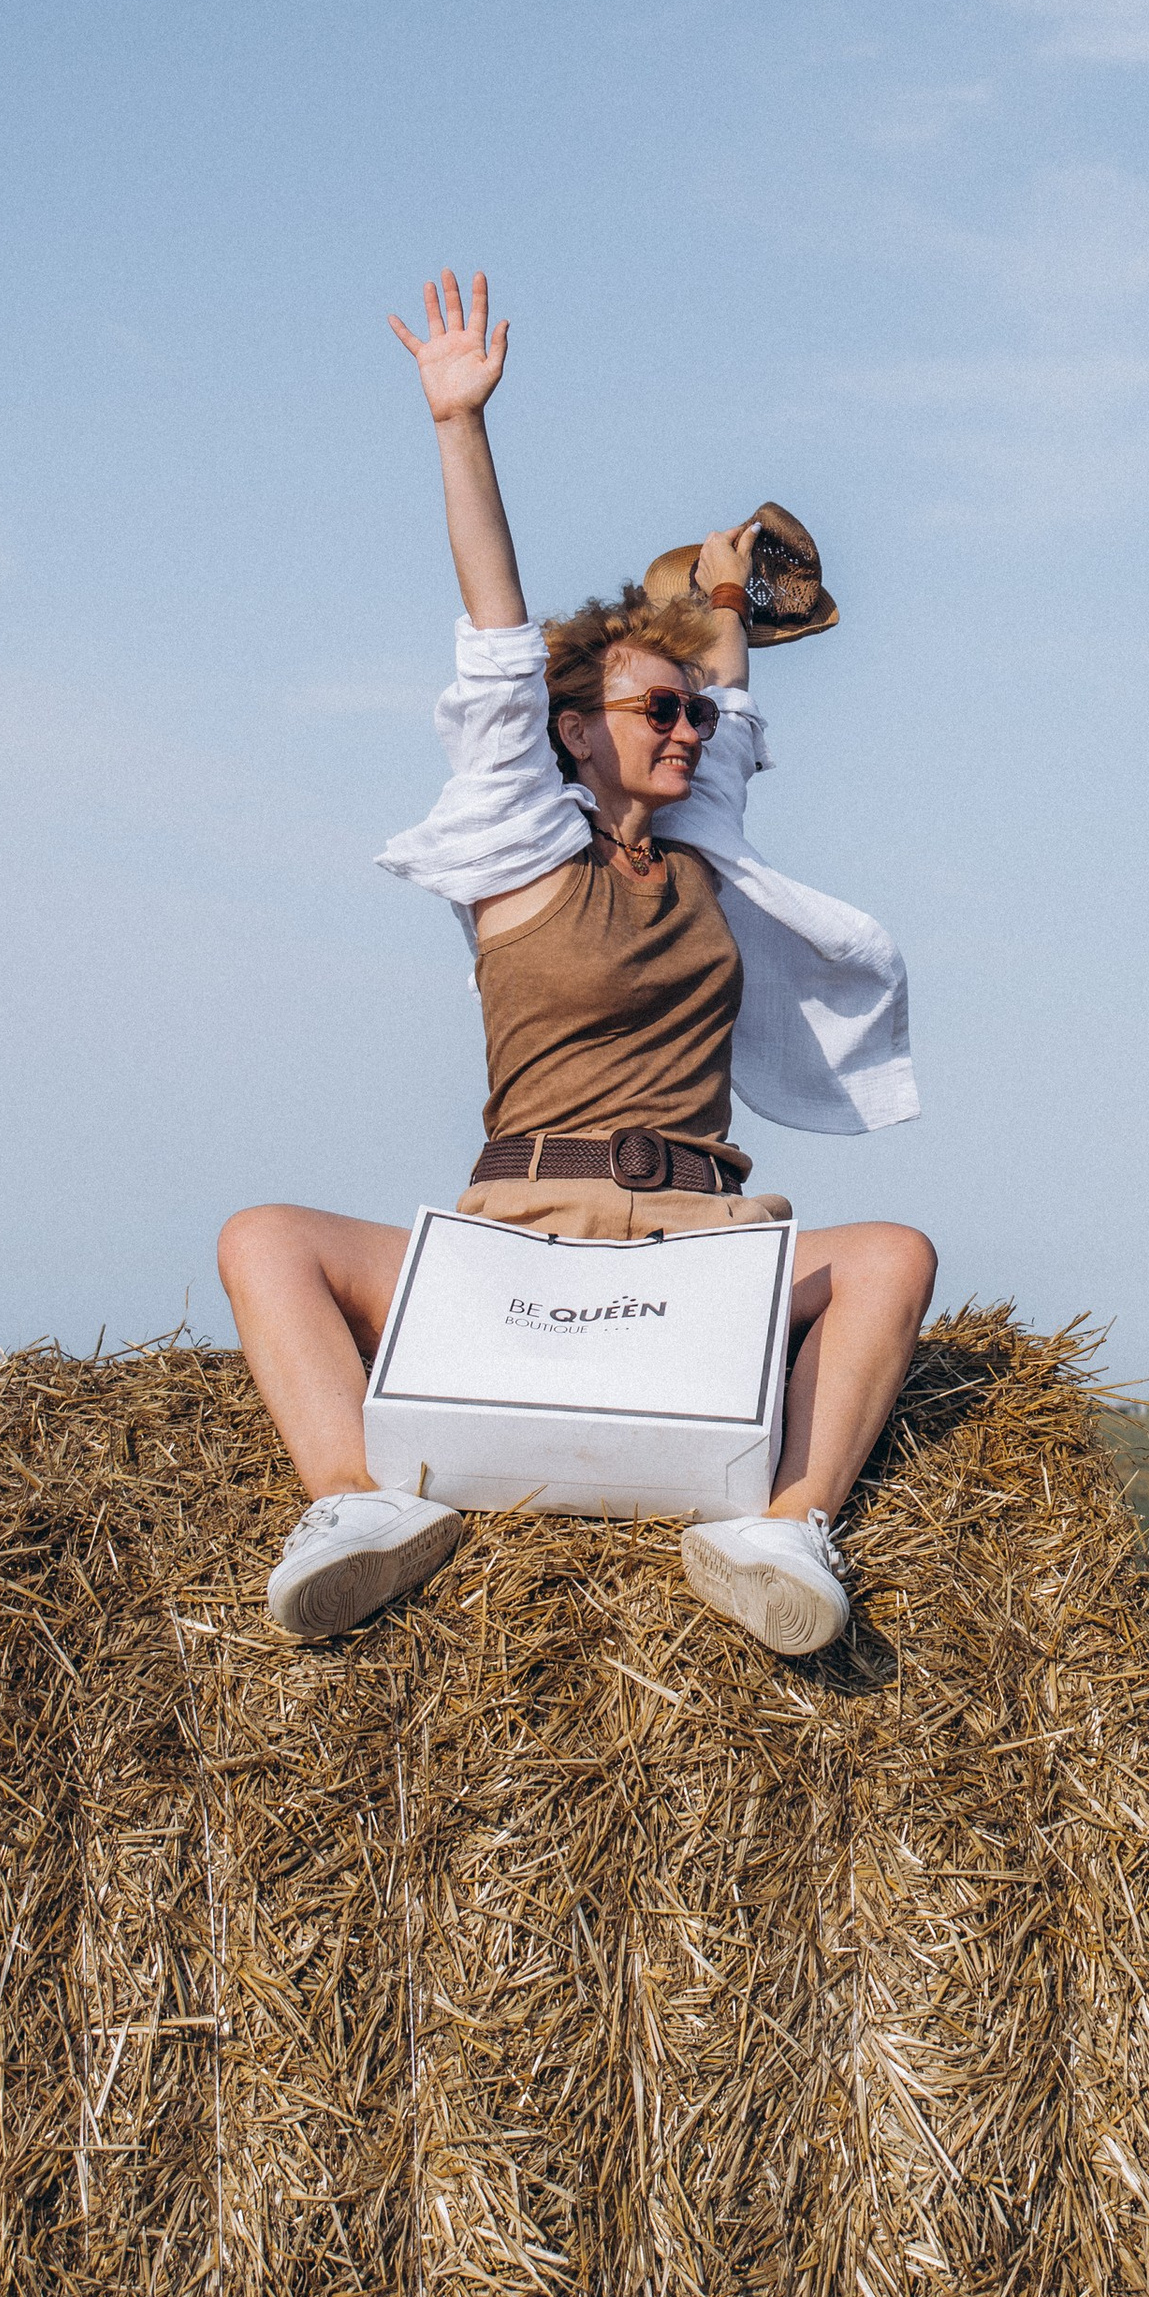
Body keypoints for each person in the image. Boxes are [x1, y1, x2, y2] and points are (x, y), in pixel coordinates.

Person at [218, 270, 936, 1656]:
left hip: (704, 1244)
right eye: (655, 707)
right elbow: (496, 638)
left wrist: (721, 590)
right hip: (517, 1240)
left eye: (691, 709)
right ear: (568, 726)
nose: (690, 724)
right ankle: (356, 1508)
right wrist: (458, 425)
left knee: (893, 1254)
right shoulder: (516, 852)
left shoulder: (702, 852)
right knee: (265, 1239)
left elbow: (723, 687)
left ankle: (783, 1526)